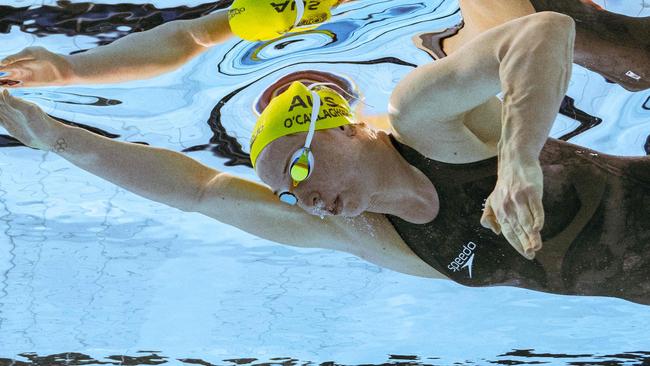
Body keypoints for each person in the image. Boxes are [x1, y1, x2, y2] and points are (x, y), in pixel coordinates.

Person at [0, 4, 649, 304]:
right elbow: (196, 191)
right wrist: (54, 134)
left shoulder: (427, 123)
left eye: (300, 169)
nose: (303, 198)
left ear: (349, 129)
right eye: (288, 191)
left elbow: (544, 32)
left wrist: (519, 157)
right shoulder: (361, 234)